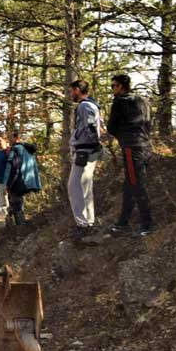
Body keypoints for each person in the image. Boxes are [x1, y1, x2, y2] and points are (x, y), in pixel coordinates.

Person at [106, 74, 155, 237]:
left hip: (131, 148)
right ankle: (123, 222)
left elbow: (111, 127)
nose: (113, 89)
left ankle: (147, 225)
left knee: (137, 185)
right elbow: (148, 124)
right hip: (146, 145)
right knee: (129, 185)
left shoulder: (120, 102)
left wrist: (121, 133)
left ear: (121, 86)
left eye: (114, 86)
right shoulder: (144, 101)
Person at [68, 79, 104, 237]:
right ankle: (89, 222)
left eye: (71, 91)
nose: (70, 94)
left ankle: (83, 224)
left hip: (85, 150)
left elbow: (91, 127)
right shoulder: (93, 105)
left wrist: (91, 144)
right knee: (85, 186)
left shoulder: (85, 106)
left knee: (74, 186)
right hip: (88, 149)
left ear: (77, 89)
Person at [6, 130, 40, 225]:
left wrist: (8, 184)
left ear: (16, 138)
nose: (9, 140)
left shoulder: (16, 149)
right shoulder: (27, 149)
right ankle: (20, 226)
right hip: (28, 181)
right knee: (18, 204)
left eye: (10, 138)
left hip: (19, 181)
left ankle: (20, 229)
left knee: (16, 205)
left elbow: (14, 168)